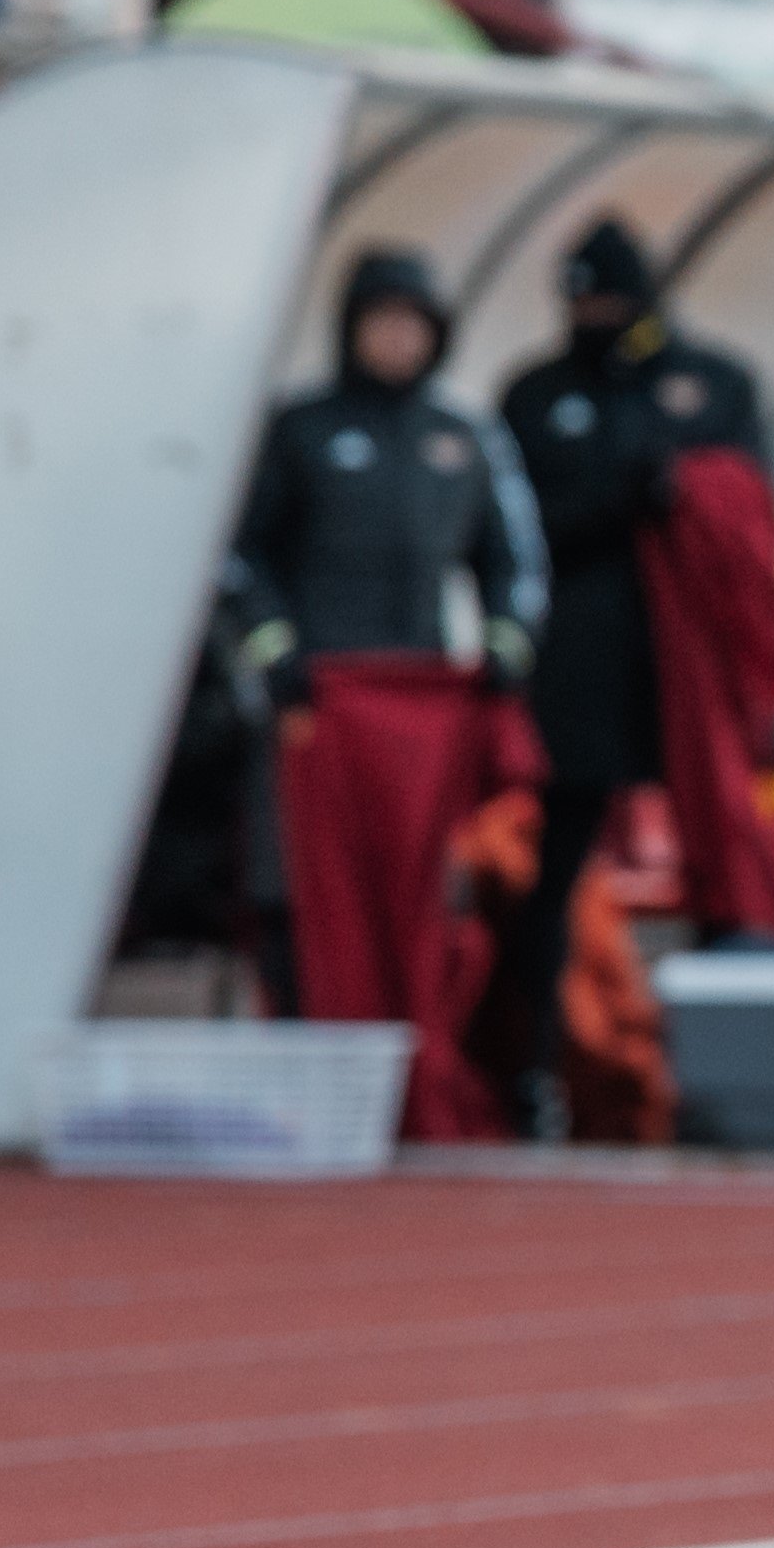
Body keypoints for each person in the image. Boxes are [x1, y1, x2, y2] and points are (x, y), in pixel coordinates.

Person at [227, 246, 539, 1093]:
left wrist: (505, 649)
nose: (398, 339)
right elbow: (242, 557)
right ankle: (306, 1063)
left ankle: (413, 1066)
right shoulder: (301, 430)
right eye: (383, 321)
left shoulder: (464, 437)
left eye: (414, 324)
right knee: (305, 885)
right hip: (320, 707)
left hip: (418, 717)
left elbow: (513, 562)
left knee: (422, 890)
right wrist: (277, 655)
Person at [491, 222, 774, 1133]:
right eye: (584, 300)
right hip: (575, 671)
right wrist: (624, 499)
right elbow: (515, 531)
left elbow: (756, 528)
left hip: (693, 676)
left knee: (725, 861)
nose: (598, 316)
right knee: (553, 871)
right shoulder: (536, 395)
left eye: (611, 299)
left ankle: (736, 1077)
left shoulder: (717, 384)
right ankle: (532, 1075)